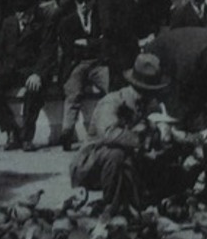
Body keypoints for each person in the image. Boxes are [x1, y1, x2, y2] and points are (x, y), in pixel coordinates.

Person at [70, 54, 173, 217]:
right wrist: (143, 141)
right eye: (151, 91)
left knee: (166, 154)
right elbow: (110, 134)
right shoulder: (112, 102)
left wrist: (164, 134)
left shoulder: (146, 105)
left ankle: (146, 202)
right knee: (116, 154)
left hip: (125, 162)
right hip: (91, 164)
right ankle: (113, 208)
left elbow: (158, 130)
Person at [43, 0, 108, 150]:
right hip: (75, 64)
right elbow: (68, 47)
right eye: (80, 1)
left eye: (87, 0)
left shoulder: (100, 19)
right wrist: (95, 43)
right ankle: (67, 132)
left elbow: (106, 42)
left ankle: (110, 127)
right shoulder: (67, 22)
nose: (84, 5)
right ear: (75, 2)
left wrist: (87, 43)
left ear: (93, 1)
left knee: (112, 86)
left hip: (97, 63)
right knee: (73, 93)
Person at [0, 3, 46, 150]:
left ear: (32, 10)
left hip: (30, 70)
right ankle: (11, 131)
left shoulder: (41, 24)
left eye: (26, 11)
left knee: (35, 91)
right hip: (9, 70)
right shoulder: (8, 23)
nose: (22, 15)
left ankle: (27, 137)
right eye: (19, 12)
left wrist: (38, 74)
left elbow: (47, 52)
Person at [98, 0, 152, 86]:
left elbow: (144, 18)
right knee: (121, 93)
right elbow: (109, 28)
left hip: (138, 53)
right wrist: (136, 41)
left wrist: (149, 35)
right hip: (118, 54)